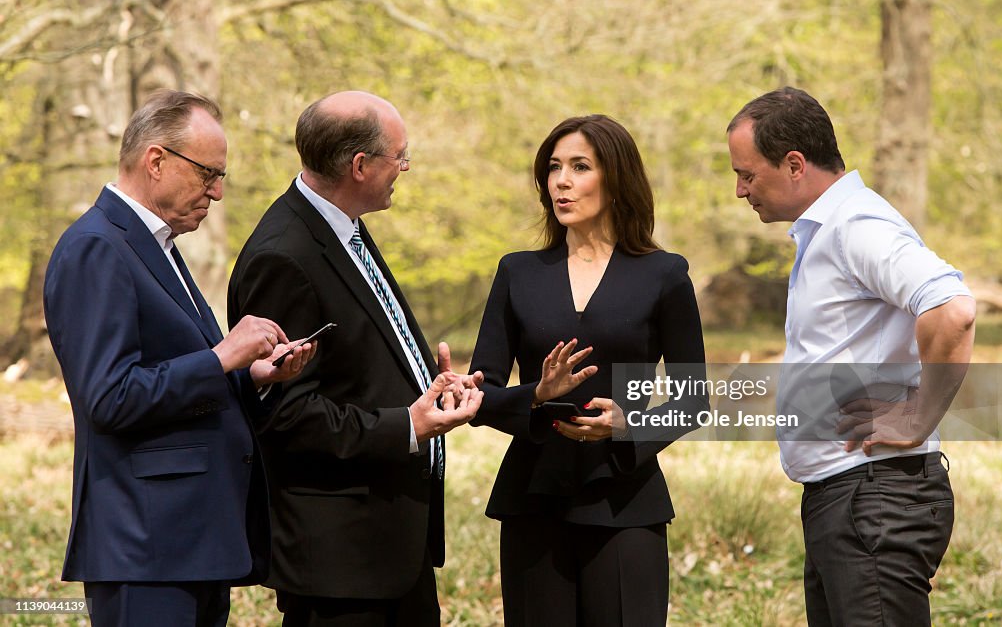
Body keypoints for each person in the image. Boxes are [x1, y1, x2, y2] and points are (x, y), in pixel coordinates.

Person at [43, 89, 316, 627]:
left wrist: (252, 375)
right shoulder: (96, 247)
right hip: (145, 548)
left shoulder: (157, 246)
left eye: (221, 177)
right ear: (156, 160)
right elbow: (109, 398)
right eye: (208, 174)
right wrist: (221, 358)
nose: (216, 192)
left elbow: (174, 373)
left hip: (193, 542)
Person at [227, 91, 483, 626]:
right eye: (400, 155)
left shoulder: (344, 228)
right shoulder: (283, 255)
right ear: (359, 165)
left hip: (391, 549)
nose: (406, 167)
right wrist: (409, 424)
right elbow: (286, 414)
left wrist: (426, 386)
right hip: (341, 565)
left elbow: (356, 367)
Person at [726, 87, 976, 626]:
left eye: (748, 174)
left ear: (794, 164)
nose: (740, 190)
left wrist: (918, 417)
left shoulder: (856, 226)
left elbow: (952, 310)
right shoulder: (826, 233)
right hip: (847, 501)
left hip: (873, 499)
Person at [468, 115, 706, 626]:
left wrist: (627, 427)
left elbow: (693, 399)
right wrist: (534, 394)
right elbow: (481, 393)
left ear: (615, 178)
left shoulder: (664, 275)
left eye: (580, 166)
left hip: (626, 502)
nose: (562, 181)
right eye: (554, 168)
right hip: (532, 500)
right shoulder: (518, 272)